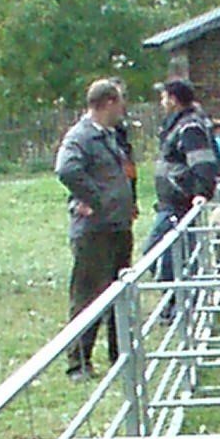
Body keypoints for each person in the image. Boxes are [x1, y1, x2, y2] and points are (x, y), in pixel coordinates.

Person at [54, 77, 135, 378]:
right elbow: (66, 169)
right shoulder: (81, 137)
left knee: (120, 293)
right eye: (121, 101)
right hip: (94, 231)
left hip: (117, 226)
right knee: (88, 296)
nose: (124, 108)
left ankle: (121, 354)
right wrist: (95, 199)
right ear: (109, 103)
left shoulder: (111, 135)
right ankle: (79, 362)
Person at [146, 78, 220, 308]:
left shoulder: (189, 127)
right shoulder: (177, 124)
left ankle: (178, 305)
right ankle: (180, 304)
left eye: (164, 96)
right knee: (173, 254)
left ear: (174, 100)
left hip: (179, 202)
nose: (161, 101)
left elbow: (202, 162)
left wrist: (200, 192)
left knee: (161, 253)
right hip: (171, 202)